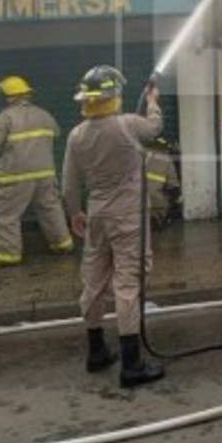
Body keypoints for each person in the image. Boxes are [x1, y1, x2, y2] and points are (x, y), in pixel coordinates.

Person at [62, 65, 165, 387]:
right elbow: (155, 128)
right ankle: (131, 365)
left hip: (96, 217)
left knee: (93, 281)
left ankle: (96, 352)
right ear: (113, 96)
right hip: (128, 218)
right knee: (127, 284)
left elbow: (68, 185)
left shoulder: (77, 135)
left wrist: (75, 213)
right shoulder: (129, 125)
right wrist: (153, 100)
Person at [0, 75, 74, 268]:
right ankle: (62, 244)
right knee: (50, 209)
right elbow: (56, 134)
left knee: (6, 216)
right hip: (45, 174)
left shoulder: (5, 117)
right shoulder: (44, 114)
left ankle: (9, 256)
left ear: (9, 97)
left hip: (13, 176)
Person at [145, 137, 182, 228]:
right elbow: (174, 189)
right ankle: (156, 218)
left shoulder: (132, 153)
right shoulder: (166, 159)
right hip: (155, 207)